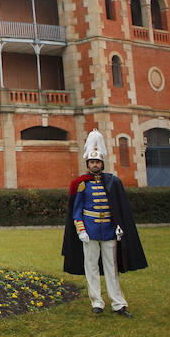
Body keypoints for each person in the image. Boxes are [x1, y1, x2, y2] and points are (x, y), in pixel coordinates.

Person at [63, 129, 147, 317]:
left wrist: (119, 225)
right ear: (88, 164)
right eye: (92, 162)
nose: (95, 165)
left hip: (109, 230)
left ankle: (118, 303)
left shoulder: (112, 182)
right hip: (90, 231)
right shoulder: (81, 183)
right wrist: (81, 230)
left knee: (112, 267)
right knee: (91, 266)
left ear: (102, 163)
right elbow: (76, 211)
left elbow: (118, 208)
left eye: (98, 162)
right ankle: (97, 302)